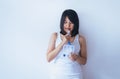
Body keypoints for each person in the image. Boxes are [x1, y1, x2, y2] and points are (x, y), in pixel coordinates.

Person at [46, 9, 87, 79]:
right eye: (65, 22)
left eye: (71, 23)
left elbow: (84, 61)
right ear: (62, 23)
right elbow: (48, 58)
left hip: (75, 75)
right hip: (57, 75)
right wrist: (62, 43)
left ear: (75, 24)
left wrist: (76, 57)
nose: (68, 25)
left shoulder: (81, 39)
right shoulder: (55, 36)